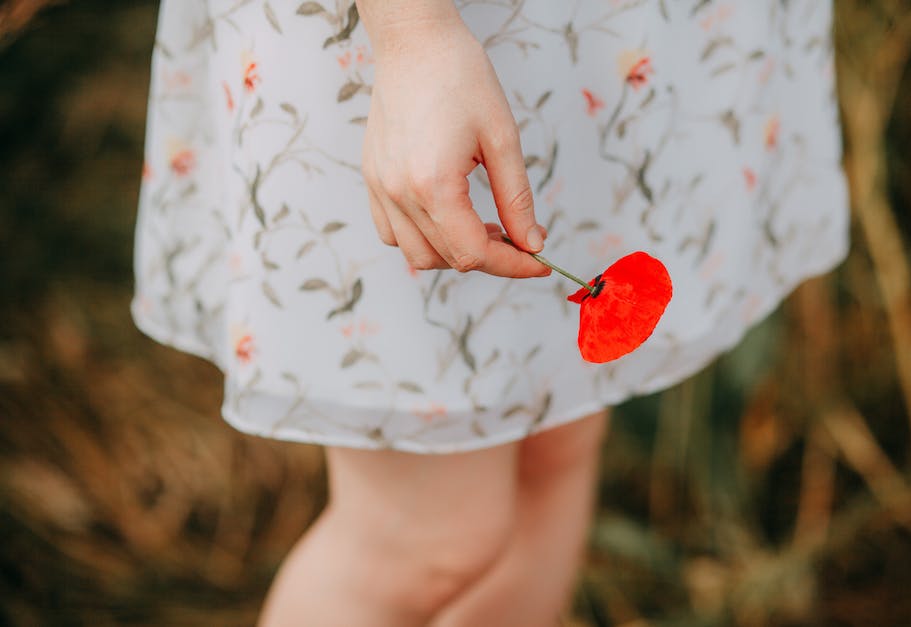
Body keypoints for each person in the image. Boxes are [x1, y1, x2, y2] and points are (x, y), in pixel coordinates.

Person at [132, 0, 849, 624]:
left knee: (557, 451)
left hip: (600, 40)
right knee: (423, 544)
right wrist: (413, 31)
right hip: (432, 48)